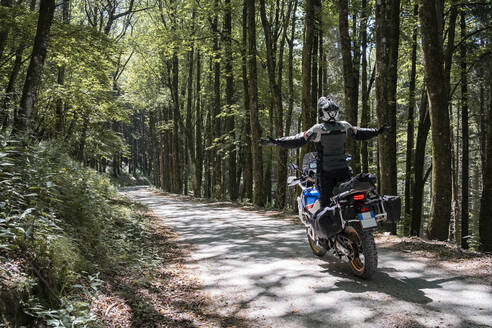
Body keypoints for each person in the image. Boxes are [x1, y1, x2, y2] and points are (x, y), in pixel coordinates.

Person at [260, 96, 387, 209]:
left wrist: (277, 142)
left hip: (325, 174)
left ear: (322, 112)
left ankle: (325, 235)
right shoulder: (345, 126)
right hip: (343, 171)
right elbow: (360, 133)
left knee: (325, 205)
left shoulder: (318, 130)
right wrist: (377, 131)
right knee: (347, 199)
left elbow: (297, 140)